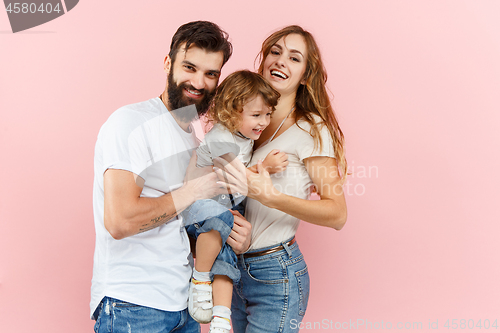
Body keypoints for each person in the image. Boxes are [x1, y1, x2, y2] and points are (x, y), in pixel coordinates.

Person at [90, 21, 251, 333]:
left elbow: (181, 222)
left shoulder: (192, 133)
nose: (198, 82)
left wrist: (227, 231)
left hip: (184, 305)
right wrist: (194, 190)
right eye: (189, 67)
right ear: (168, 64)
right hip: (133, 305)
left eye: (210, 73)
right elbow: (120, 221)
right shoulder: (131, 123)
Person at [214, 25, 348, 333]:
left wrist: (270, 196)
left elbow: (338, 214)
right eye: (275, 52)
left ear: (305, 74)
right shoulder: (244, 122)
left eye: (294, 58)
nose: (280, 61)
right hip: (232, 270)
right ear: (262, 62)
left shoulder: (311, 130)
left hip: (275, 273)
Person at [182, 70, 283, 333]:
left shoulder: (243, 136)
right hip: (199, 207)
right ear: (230, 111)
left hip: (222, 207)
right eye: (256, 115)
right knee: (220, 221)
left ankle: (221, 316)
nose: (263, 122)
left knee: (227, 255)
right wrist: (266, 167)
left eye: (268, 114)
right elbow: (235, 179)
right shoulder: (221, 138)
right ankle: (201, 278)